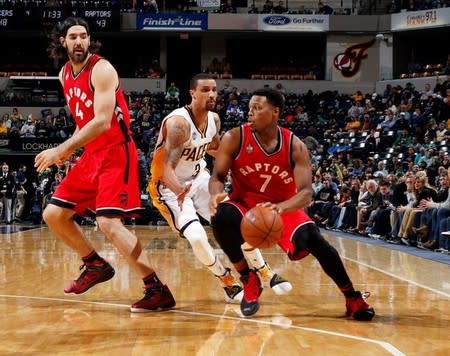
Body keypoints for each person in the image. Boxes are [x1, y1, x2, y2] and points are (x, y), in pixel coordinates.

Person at [34, 16, 175, 313]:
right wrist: (67, 151)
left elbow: (101, 121)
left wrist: (61, 147)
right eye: (73, 36)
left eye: (83, 36)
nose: (79, 41)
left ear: (89, 39)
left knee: (109, 223)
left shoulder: (101, 68)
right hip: (91, 155)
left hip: (115, 152)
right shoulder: (63, 75)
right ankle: (95, 265)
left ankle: (157, 289)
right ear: (62, 42)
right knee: (54, 214)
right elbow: (82, 123)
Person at [208, 87, 375, 320]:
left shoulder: (294, 146)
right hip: (245, 204)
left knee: (315, 240)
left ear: (275, 112)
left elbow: (306, 193)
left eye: (257, 108)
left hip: (283, 206)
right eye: (250, 108)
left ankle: (352, 297)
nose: (250, 113)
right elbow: (217, 177)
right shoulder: (235, 137)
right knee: (221, 216)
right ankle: (249, 279)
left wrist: (281, 208)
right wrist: (216, 194)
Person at [148, 73, 291, 304]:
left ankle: (264, 270)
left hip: (199, 178)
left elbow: (215, 148)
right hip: (169, 186)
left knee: (235, 222)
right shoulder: (179, 124)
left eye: (214, 90)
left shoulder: (213, 119)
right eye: (205, 90)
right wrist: (179, 190)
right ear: (192, 93)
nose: (212, 94)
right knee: (196, 236)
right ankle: (226, 279)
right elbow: (166, 170)